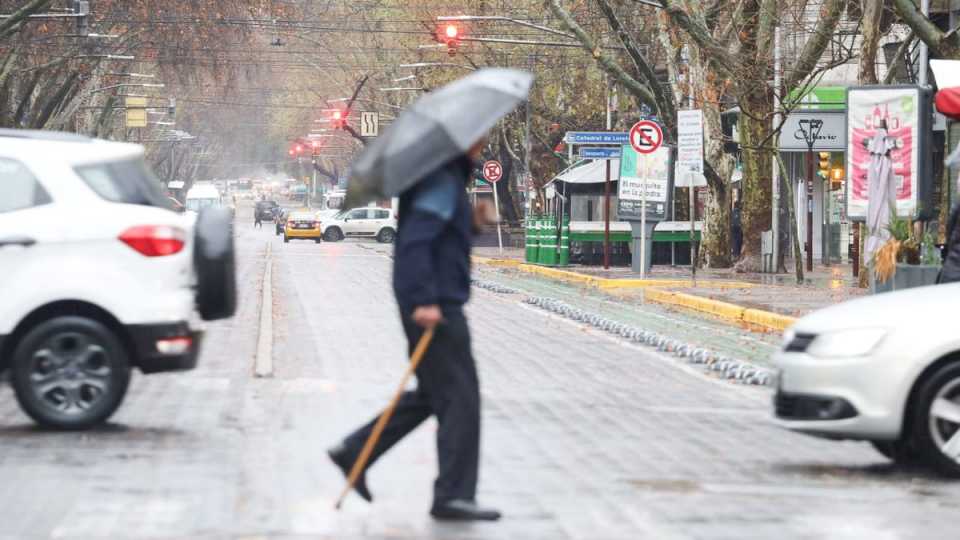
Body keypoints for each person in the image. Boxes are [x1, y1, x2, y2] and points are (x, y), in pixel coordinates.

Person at [328, 139, 501, 521]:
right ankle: (453, 496)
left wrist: (472, 222)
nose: (484, 142)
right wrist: (424, 299)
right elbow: (416, 242)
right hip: (434, 306)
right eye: (480, 136)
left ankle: (356, 450)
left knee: (433, 395)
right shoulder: (439, 179)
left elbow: (440, 238)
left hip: (434, 301)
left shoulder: (443, 177)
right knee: (461, 400)